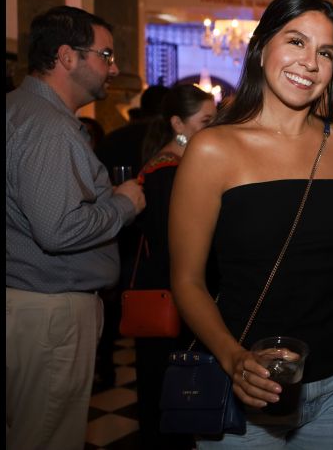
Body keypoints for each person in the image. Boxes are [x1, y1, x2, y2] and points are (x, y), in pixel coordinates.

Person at [169, 0, 333, 449]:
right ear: (260, 48)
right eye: (296, 41)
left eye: (326, 52)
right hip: (248, 385)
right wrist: (233, 358)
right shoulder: (213, 150)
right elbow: (187, 281)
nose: (310, 62)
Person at [6, 5, 146, 450]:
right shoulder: (49, 128)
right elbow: (58, 230)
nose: (115, 67)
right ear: (68, 57)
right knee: (46, 436)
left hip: (26, 301)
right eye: (105, 55)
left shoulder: (18, 108)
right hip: (50, 312)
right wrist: (124, 204)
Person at [134, 84, 217, 449]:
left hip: (171, 287)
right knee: (171, 391)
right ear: (178, 124)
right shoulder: (169, 172)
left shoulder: (174, 164)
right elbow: (176, 247)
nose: (212, 129)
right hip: (170, 294)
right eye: (206, 121)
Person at [93, 83, 170, 390]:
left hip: (114, 234)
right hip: (148, 242)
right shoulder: (167, 144)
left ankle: (106, 367)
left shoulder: (112, 139)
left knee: (113, 308)